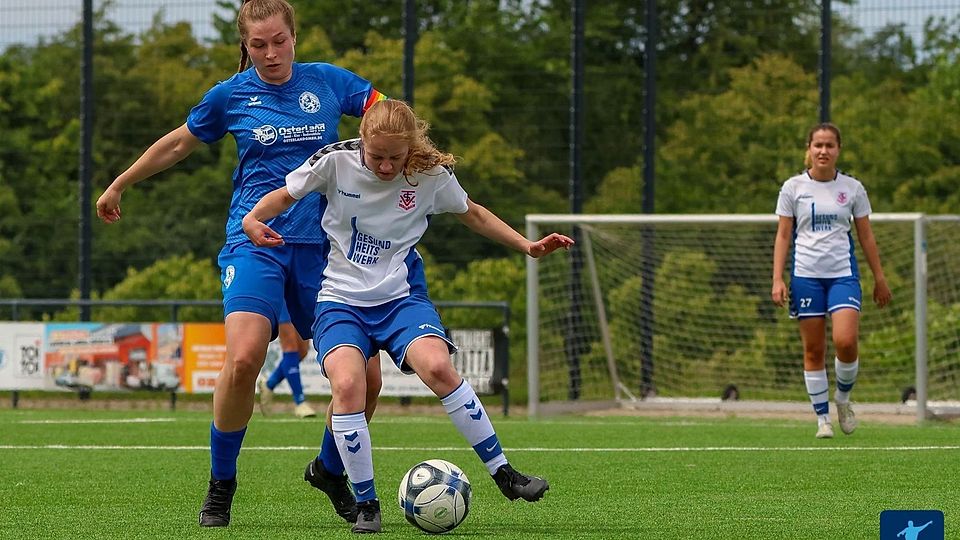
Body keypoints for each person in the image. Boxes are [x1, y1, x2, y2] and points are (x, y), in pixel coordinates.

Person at [95, 0, 386, 527]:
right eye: (259, 45)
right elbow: (180, 142)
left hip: (324, 251)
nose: (271, 53)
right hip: (253, 241)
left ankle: (329, 469)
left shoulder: (329, 82)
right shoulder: (230, 95)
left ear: (294, 36)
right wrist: (121, 182)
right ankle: (221, 484)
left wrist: (412, 161)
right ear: (245, 46)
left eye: (279, 41)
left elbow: (388, 118)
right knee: (246, 355)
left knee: (366, 376)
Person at [243, 99, 573, 533]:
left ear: (411, 148)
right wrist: (252, 218)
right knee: (349, 385)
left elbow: (471, 212)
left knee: (438, 366)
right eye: (376, 156)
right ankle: (366, 503)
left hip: (401, 298)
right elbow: (286, 194)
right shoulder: (334, 161)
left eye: (394, 158)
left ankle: (505, 474)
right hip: (340, 299)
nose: (384, 166)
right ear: (362, 140)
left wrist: (526, 246)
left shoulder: (431, 174)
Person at [771, 122, 892, 439]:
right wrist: (777, 279)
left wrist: (880, 278)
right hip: (805, 277)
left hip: (843, 275)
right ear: (809, 149)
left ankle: (843, 399)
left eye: (829, 145)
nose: (823, 151)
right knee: (813, 350)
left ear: (839, 150)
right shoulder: (793, 188)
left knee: (846, 341)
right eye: (818, 145)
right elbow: (784, 234)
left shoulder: (852, 189)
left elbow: (866, 235)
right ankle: (822, 418)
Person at [257, 301, 317, 418]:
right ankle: (300, 402)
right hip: (280, 292)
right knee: (290, 346)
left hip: (298, 289)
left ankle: (269, 384)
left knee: (302, 350)